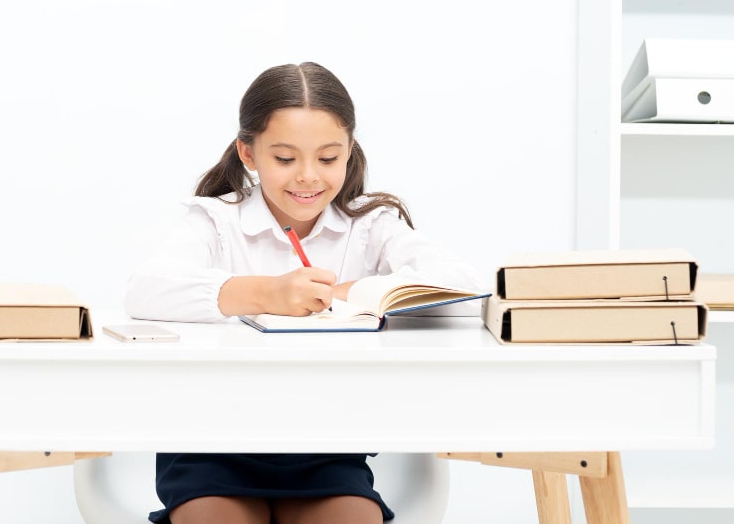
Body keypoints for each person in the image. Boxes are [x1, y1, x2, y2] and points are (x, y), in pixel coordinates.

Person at [124, 61, 484, 524]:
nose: (309, 176)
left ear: (350, 151)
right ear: (248, 154)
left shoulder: (369, 227)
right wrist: (265, 294)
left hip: (326, 450)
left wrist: (353, 292)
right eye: (285, 159)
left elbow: (465, 285)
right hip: (211, 445)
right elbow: (146, 290)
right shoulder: (216, 222)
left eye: (328, 158)